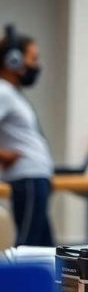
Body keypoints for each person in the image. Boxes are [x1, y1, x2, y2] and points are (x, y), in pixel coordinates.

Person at [0, 24, 54, 245]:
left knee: (45, 250)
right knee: (26, 248)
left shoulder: (11, 92)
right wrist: (3, 155)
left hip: (35, 177)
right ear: (13, 60)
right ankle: (15, 282)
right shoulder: (2, 91)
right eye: (33, 58)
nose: (36, 65)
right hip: (27, 179)